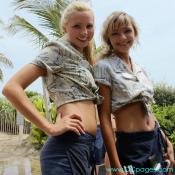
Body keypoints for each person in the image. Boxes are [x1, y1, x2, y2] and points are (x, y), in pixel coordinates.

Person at [2, 1, 102, 175]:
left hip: (85, 148)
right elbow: (11, 88)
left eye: (89, 26)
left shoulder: (82, 59)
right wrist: (49, 127)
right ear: (65, 27)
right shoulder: (56, 50)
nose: (84, 32)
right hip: (66, 149)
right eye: (77, 26)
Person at [93, 11, 174, 175]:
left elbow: (147, 109)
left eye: (127, 31)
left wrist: (167, 142)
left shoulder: (139, 69)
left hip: (155, 139)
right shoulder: (104, 67)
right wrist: (116, 167)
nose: (122, 37)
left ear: (135, 33)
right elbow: (105, 118)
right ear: (108, 38)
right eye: (115, 33)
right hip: (132, 146)